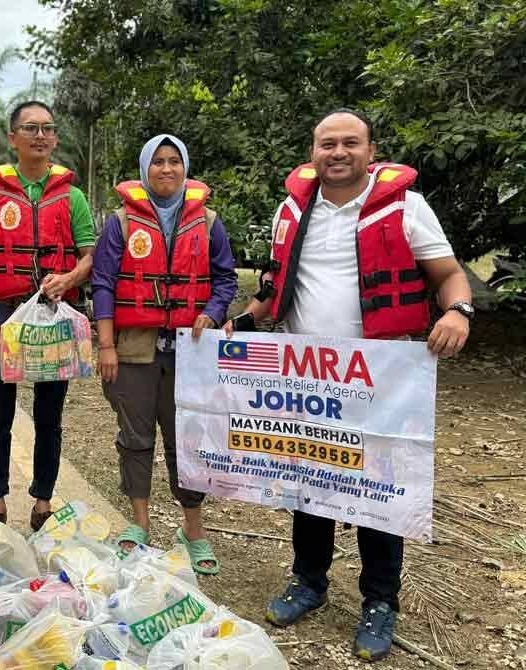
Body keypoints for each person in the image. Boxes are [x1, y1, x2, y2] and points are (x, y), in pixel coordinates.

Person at [224, 109, 472, 661]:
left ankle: (380, 600)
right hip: (307, 375)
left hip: (378, 375)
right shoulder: (291, 209)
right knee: (309, 479)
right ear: (313, 152)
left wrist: (458, 311)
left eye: (350, 143)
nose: (338, 152)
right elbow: (275, 284)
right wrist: (239, 323)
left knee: (376, 491)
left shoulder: (405, 207)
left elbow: (450, 274)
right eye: (327, 144)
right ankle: (308, 581)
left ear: (370, 149)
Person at [91, 134, 237, 573]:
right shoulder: (120, 223)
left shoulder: (209, 223)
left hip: (189, 352)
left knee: (187, 440)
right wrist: (106, 345)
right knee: (135, 438)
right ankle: (140, 524)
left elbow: (226, 279)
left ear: (186, 169)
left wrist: (211, 313)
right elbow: (103, 283)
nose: (167, 170)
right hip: (134, 350)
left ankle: (193, 530)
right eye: (158, 163)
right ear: (144, 170)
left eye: (175, 162)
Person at [0, 100, 95, 531]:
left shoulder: (72, 197)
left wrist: (70, 276)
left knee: (49, 416)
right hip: (5, 315)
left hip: (54, 315)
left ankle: (42, 501)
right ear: (12, 137)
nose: (41, 136)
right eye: (31, 128)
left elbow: (88, 256)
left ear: (55, 138)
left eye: (48, 129)